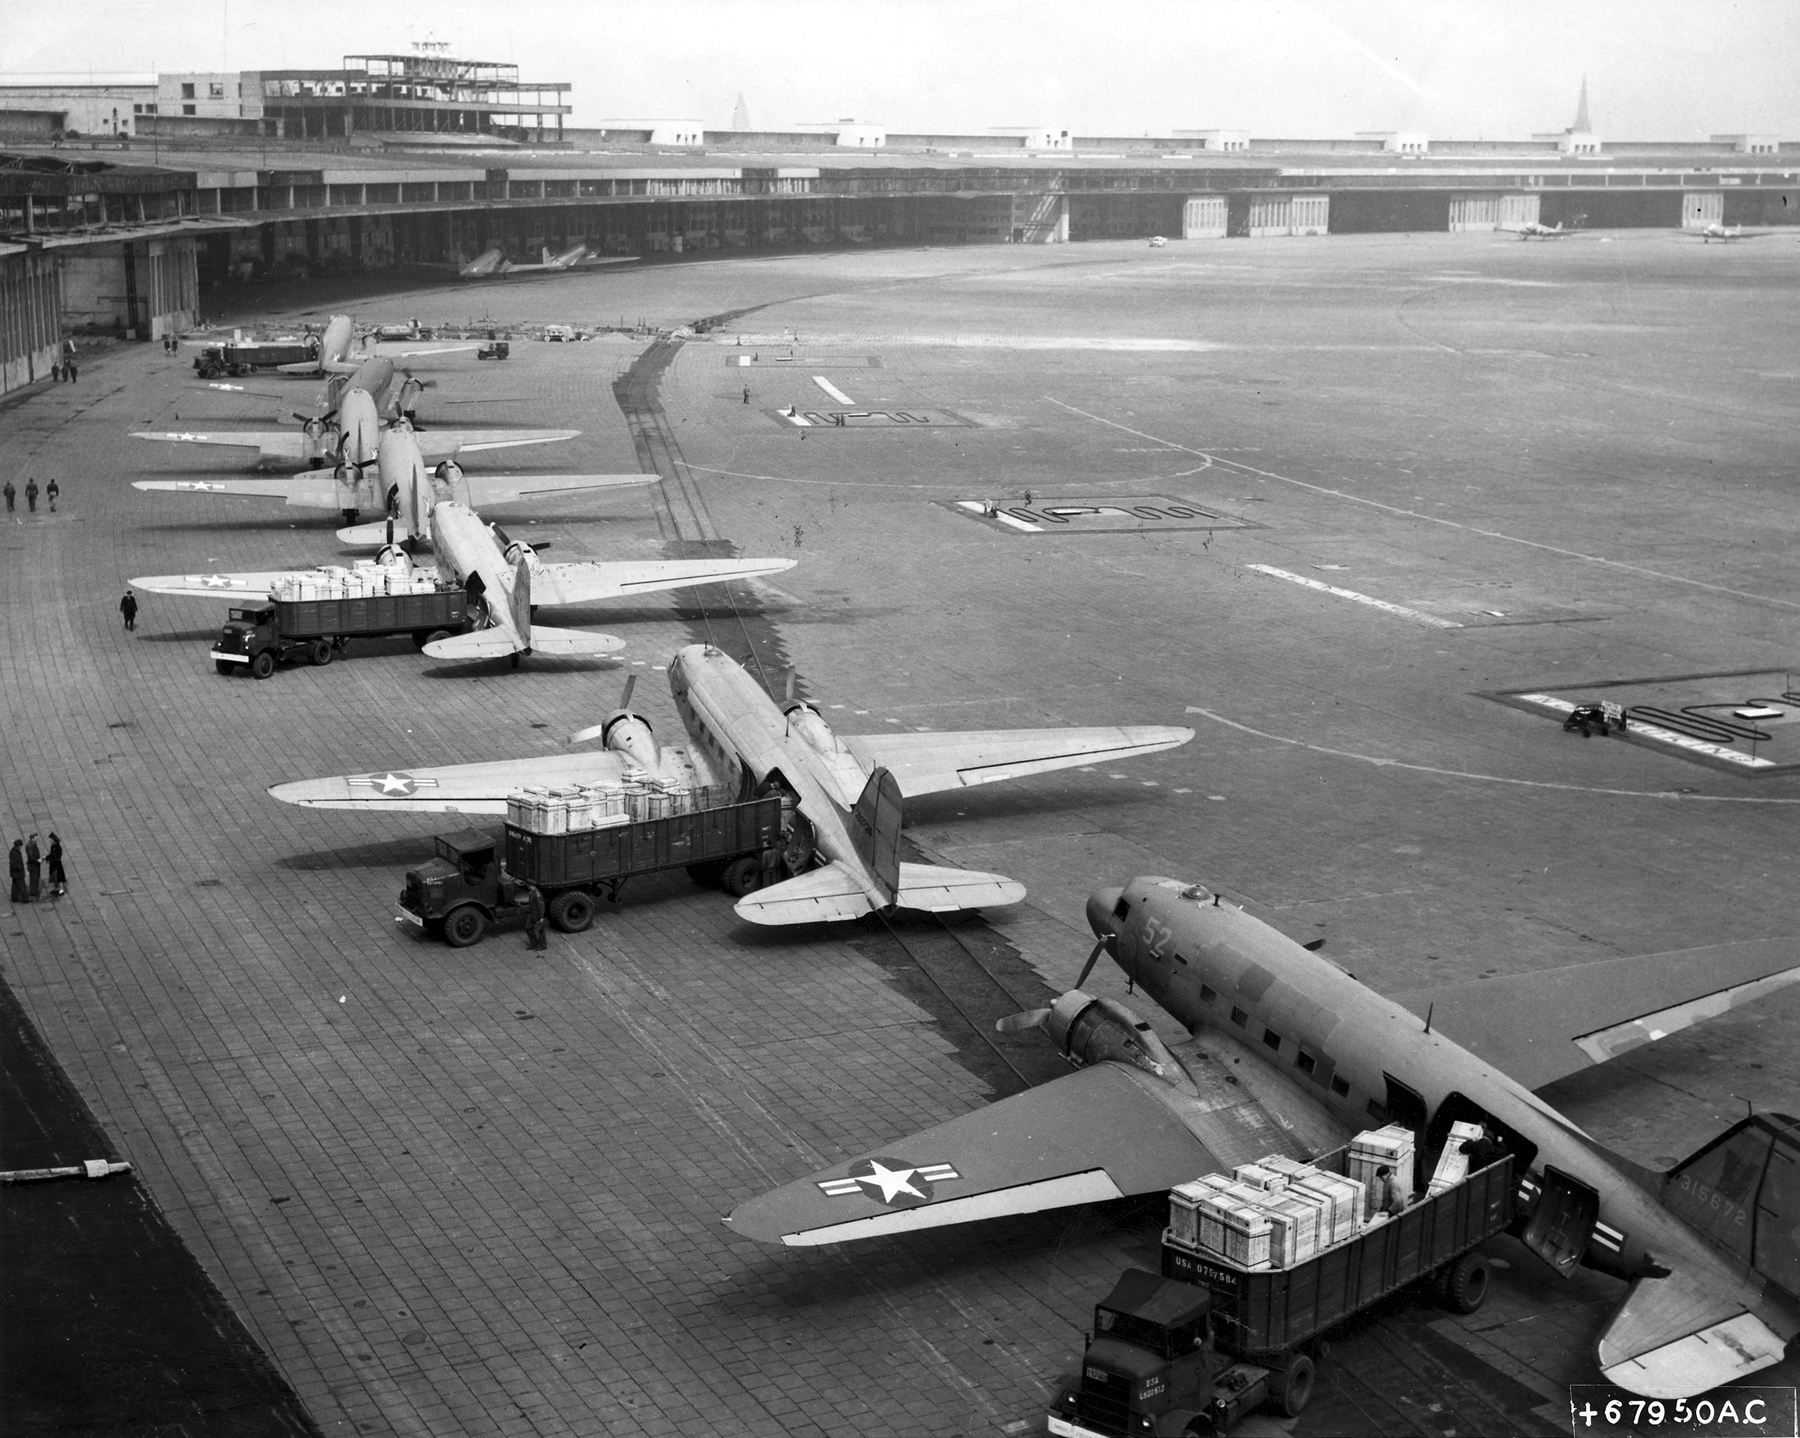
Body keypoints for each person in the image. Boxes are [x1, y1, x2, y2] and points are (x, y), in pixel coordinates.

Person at [523, 883, 548, 951]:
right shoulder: (532, 892)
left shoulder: (537, 894)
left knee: (540, 929)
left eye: (529, 885)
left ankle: (543, 945)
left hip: (536, 914)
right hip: (532, 913)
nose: (528, 887)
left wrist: (541, 918)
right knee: (528, 926)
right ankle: (534, 943)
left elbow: (541, 906)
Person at [46, 834, 66, 898]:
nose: (50, 841)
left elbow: (57, 857)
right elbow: (52, 854)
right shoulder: (53, 846)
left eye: (50, 839)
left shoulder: (58, 847)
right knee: (55, 878)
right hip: (53, 865)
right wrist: (47, 857)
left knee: (60, 878)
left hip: (57, 865)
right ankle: (57, 888)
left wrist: (50, 859)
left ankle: (61, 890)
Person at [8, 840, 26, 905]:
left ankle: (14, 898)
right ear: (18, 846)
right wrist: (20, 867)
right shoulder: (15, 853)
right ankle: (25, 898)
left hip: (14, 874)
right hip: (18, 873)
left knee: (15, 886)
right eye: (20, 845)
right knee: (22, 886)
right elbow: (14, 863)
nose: (21, 846)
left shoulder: (14, 851)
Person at [24, 834, 41, 900]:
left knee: (36, 877)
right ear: (32, 838)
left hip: (36, 864)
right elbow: (30, 856)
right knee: (34, 878)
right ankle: (33, 892)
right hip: (33, 865)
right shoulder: (29, 846)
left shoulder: (33, 844)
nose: (37, 839)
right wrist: (37, 860)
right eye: (36, 838)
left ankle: (35, 891)